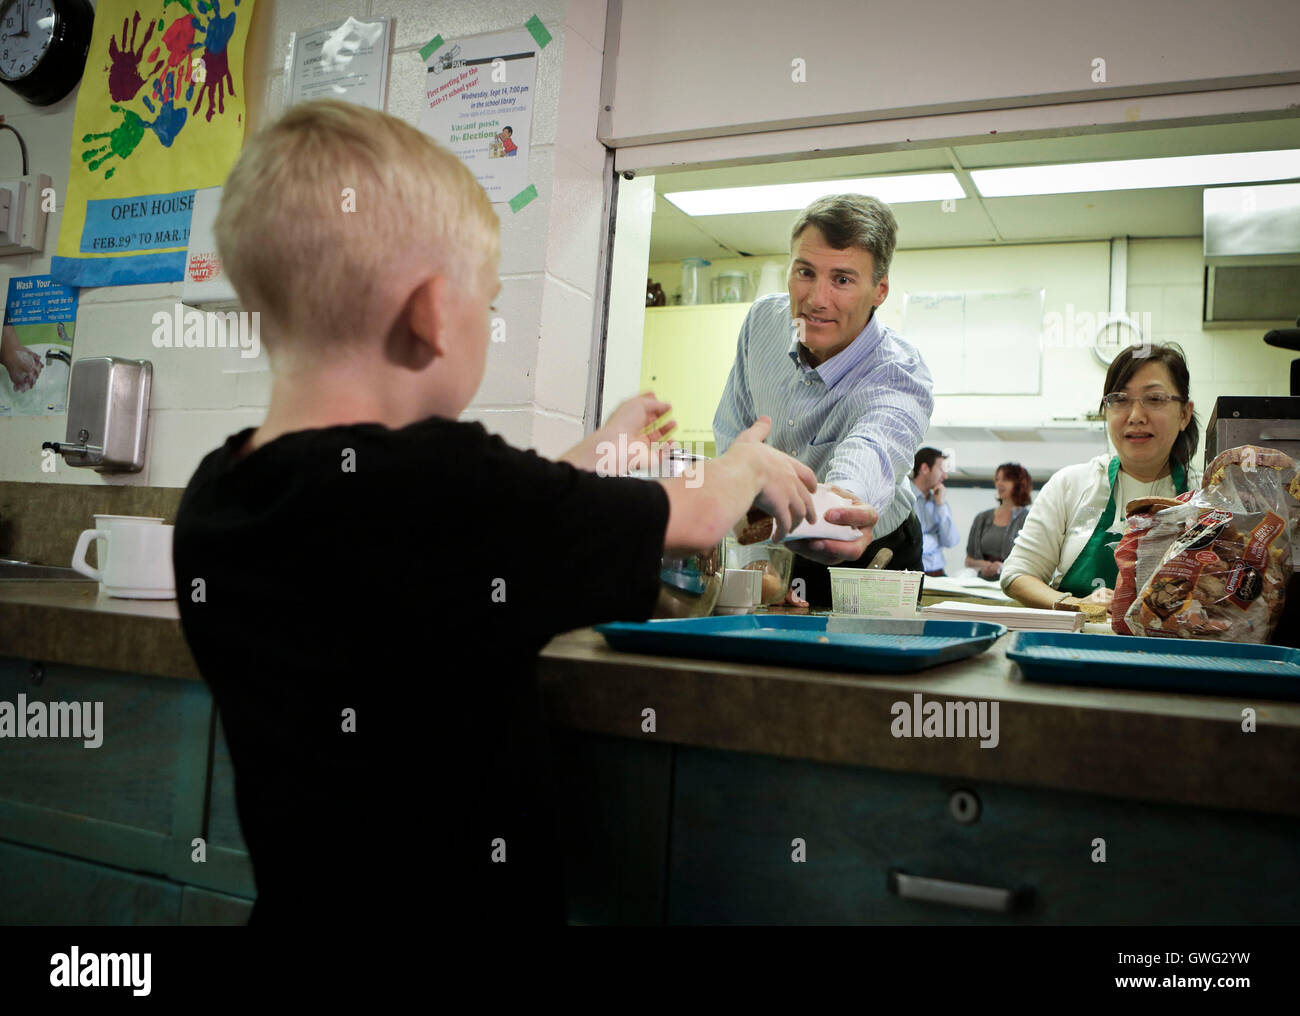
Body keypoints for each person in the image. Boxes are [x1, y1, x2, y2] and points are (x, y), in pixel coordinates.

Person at [171, 100, 832, 928]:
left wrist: (599, 450)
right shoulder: (450, 482)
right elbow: (695, 520)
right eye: (486, 304)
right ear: (431, 313)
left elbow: (461, 533)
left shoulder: (220, 493)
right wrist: (748, 462)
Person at [712, 193, 934, 607]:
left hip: (873, 550)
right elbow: (735, 435)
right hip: (773, 540)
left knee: (862, 665)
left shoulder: (899, 372)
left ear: (879, 289)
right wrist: (758, 553)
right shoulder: (763, 323)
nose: (816, 299)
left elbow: (873, 449)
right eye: (805, 272)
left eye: (843, 279)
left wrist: (839, 513)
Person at [1001, 343, 1198, 611]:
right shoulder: (1070, 485)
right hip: (1077, 648)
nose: (1136, 416)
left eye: (1154, 399)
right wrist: (1076, 605)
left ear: (1184, 414)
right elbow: (1016, 574)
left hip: (1169, 651)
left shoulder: (1205, 498)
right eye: (1120, 400)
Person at [965, 462, 1031, 580]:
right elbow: (969, 560)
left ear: (1019, 484)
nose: (999, 483)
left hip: (1013, 583)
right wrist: (987, 566)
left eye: (1005, 479)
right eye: (997, 479)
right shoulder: (982, 518)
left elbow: (1031, 561)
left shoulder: (1030, 519)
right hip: (980, 583)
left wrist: (1002, 567)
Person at [909, 447, 959, 576]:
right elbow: (911, 546)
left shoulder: (939, 499)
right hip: (913, 573)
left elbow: (950, 541)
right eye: (941, 469)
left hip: (939, 572)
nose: (945, 475)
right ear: (925, 468)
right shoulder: (904, 498)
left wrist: (941, 505)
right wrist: (937, 539)